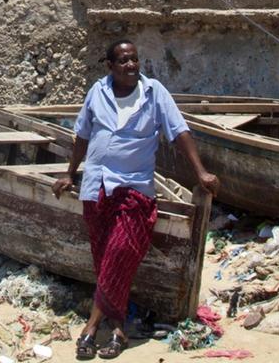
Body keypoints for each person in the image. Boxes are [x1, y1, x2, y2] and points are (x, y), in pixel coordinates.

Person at [52, 39, 219, 360]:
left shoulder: (154, 92)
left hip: (134, 188)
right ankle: (117, 330)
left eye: (135, 60)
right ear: (110, 66)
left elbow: (180, 131)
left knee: (120, 252)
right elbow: (83, 136)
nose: (131, 65)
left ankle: (90, 327)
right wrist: (70, 174)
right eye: (124, 61)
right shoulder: (97, 92)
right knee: (105, 260)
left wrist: (201, 172)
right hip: (96, 187)